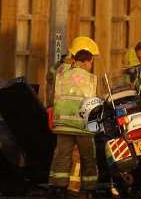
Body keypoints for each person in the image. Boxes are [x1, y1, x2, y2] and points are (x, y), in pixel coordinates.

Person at [48, 36, 100, 199]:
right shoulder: (91, 79)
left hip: (63, 123)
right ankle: (89, 188)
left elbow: (53, 95)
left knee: (63, 155)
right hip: (82, 126)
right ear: (87, 61)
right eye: (91, 62)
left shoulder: (61, 74)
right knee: (88, 157)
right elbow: (94, 102)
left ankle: (59, 188)